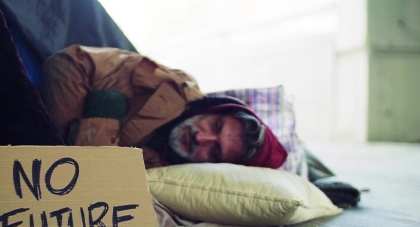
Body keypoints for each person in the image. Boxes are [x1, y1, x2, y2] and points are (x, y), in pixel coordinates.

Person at [41, 45, 288, 170]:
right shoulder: (167, 87)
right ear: (211, 110)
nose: (200, 137)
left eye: (214, 151)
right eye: (216, 125)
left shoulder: (180, 182)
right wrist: (87, 146)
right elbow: (69, 63)